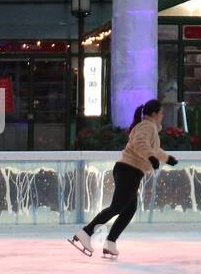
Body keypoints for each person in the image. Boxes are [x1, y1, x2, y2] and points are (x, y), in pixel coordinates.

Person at [69, 99, 177, 259]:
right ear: (154, 114)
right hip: (129, 170)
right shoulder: (148, 126)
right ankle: (86, 233)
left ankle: (110, 243)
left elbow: (151, 147)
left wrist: (166, 158)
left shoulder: (147, 127)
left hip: (129, 170)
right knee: (117, 207)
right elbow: (140, 144)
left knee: (129, 209)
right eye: (161, 113)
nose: (162, 116)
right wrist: (152, 158)